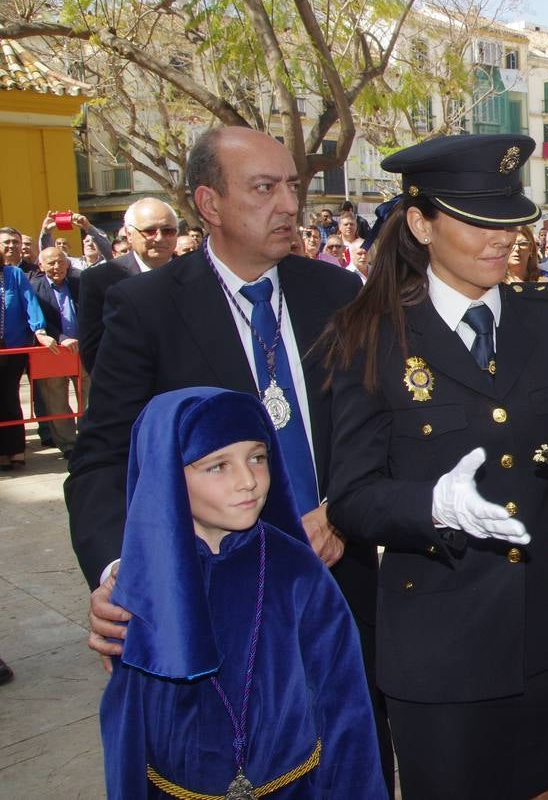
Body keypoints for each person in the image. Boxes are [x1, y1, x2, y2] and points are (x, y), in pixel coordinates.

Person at [64, 126, 391, 788]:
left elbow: (375, 425)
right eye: (264, 188)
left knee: (352, 764)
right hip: (219, 611)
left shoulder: (335, 294)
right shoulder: (149, 308)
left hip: (342, 589)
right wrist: (120, 570)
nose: (288, 205)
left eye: (291, 187)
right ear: (208, 203)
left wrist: (341, 508)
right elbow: (102, 458)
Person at [323, 133, 548, 800]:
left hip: (541, 629)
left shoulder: (543, 319)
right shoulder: (373, 336)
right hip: (440, 645)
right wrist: (430, 507)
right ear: (421, 224)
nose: (502, 238)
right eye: (478, 221)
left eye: (510, 220)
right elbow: (351, 498)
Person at [99, 387, 385, 799]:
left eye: (257, 457)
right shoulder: (144, 589)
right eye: (218, 466)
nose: (248, 480)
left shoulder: (298, 573)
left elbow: (346, 710)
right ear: (166, 475)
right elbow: (126, 733)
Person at [77, 198, 180, 375]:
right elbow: (93, 352)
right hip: (130, 389)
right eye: (150, 231)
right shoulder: (99, 280)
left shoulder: (198, 273)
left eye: (168, 231)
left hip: (192, 392)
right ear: (129, 235)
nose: (160, 237)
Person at [2, 246, 55, 469]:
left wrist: (39, 330)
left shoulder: (13, 274)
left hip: (13, 345)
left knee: (8, 395)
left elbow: (28, 302)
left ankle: (15, 449)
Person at [29, 247, 84, 455]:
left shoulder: (80, 283)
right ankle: (69, 445)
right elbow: (38, 319)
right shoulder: (34, 287)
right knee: (56, 399)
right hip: (54, 351)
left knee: (90, 396)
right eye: (51, 263)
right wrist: (61, 338)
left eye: (61, 262)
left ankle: (89, 439)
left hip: (82, 348)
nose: (57, 267)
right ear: (41, 266)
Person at [39, 211, 113, 271]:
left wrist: (88, 227)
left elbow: (108, 250)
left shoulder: (108, 263)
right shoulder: (72, 263)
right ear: (83, 243)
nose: (90, 244)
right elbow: (47, 256)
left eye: (93, 241)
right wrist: (46, 233)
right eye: (87, 241)